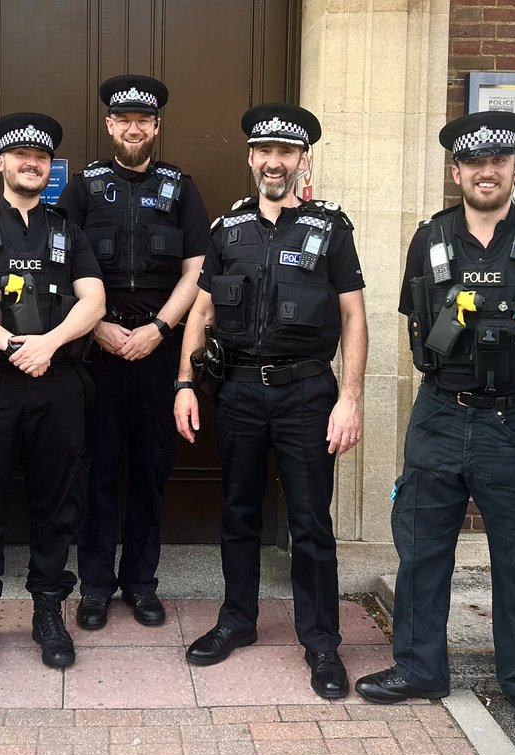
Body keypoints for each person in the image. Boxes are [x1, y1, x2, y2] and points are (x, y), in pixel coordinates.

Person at [355, 112, 515, 737]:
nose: (487, 172)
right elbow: (416, 322)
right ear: (456, 172)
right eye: (473, 163)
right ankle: (420, 668)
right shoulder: (429, 239)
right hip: (438, 417)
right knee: (422, 550)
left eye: (499, 162)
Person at [173, 103, 367, 700]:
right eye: (266, 152)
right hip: (237, 393)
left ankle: (321, 641)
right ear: (252, 159)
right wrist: (184, 383)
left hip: (307, 392)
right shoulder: (227, 230)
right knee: (238, 512)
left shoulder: (330, 228)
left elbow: (354, 316)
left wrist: (351, 399)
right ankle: (238, 619)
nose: (275, 162)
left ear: (302, 160)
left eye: (288, 152)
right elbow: (202, 311)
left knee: (310, 521)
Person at [0, 112, 105, 670]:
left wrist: (48, 344)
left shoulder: (67, 231)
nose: (31, 164)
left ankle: (49, 609)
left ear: (49, 167)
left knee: (57, 500)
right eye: (20, 156)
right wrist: (13, 344)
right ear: (1, 163)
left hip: (57, 385)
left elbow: (93, 302)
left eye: (41, 158)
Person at [57, 75, 208, 630]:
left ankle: (141, 582)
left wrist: (162, 330)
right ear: (109, 126)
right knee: (96, 470)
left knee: (150, 470)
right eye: (124, 120)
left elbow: (199, 270)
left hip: (157, 351)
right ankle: (95, 586)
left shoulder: (180, 189)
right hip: (96, 351)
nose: (134, 128)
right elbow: (63, 265)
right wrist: (95, 329)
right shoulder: (82, 188)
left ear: (157, 127)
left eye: (144, 121)